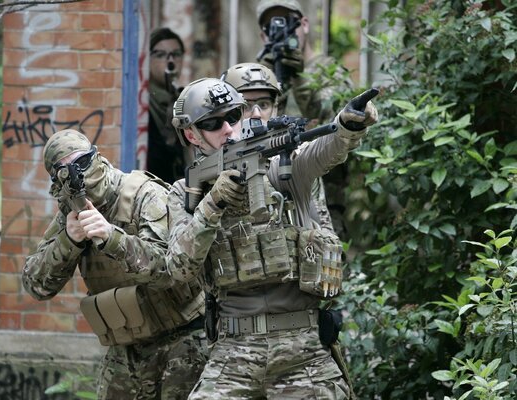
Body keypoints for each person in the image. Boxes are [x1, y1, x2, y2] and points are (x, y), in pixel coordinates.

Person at [167, 78, 377, 399]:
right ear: (191, 135)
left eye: (233, 117)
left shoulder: (281, 168)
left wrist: (346, 127)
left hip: (303, 350)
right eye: (212, 123)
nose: (227, 128)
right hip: (233, 352)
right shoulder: (186, 192)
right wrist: (214, 202)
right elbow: (179, 267)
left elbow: (323, 150)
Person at [22, 129, 207, 400]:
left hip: (184, 337)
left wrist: (111, 238)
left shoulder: (142, 194)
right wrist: (69, 240)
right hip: (127, 349)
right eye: (65, 171)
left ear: (97, 156)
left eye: (82, 162)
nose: (77, 175)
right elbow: (35, 285)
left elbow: (172, 270)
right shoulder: (70, 214)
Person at [256, 0, 354, 237]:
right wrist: (266, 81)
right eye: (272, 26)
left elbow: (340, 129)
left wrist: (300, 79)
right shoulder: (257, 77)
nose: (281, 31)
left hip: (323, 203)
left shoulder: (327, 71)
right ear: (263, 36)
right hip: (271, 200)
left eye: (288, 22)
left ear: (305, 24)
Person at [221, 62, 334, 232]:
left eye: (264, 104)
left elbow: (324, 232)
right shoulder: (215, 161)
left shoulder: (293, 161)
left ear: (275, 108)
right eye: (245, 105)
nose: (257, 113)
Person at [148, 27, 191, 183]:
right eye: (161, 55)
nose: (170, 60)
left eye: (176, 54)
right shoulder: (141, 102)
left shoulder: (184, 100)